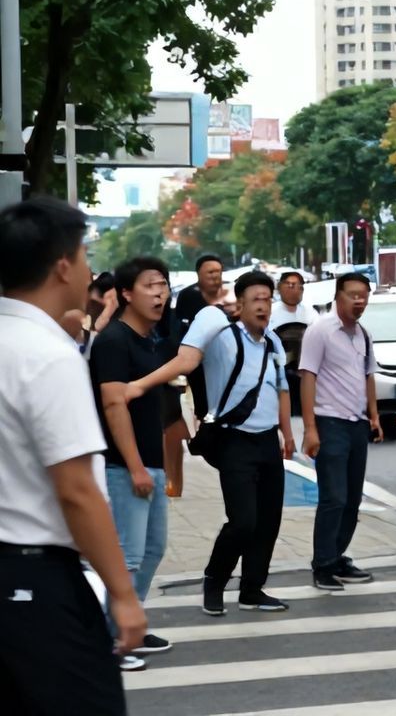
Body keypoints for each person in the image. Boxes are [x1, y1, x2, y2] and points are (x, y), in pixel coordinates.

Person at [0, 196, 145, 714]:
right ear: (62, 264)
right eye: (83, 254)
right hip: (37, 580)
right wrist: (123, 594)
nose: (89, 269)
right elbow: (78, 490)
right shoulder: (48, 354)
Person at [129, 271, 295, 616]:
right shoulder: (223, 338)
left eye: (267, 298)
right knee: (243, 521)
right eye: (256, 299)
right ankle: (214, 580)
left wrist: (288, 433)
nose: (263, 306)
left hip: (267, 441)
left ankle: (252, 589)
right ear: (241, 305)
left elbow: (281, 389)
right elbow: (188, 355)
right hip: (235, 441)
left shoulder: (274, 343)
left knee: (268, 521)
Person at [90, 257, 176, 668]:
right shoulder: (114, 341)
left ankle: (130, 624)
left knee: (154, 548)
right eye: (151, 285)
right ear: (126, 293)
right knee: (128, 555)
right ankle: (111, 637)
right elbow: (113, 403)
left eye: (164, 285)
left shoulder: (150, 339)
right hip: (125, 466)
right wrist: (136, 466)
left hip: (150, 462)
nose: (161, 293)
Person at [299, 273, 382, 591]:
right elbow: (308, 376)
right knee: (333, 498)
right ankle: (322, 565)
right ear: (338, 296)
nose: (359, 300)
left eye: (364, 295)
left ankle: (336, 556)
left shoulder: (363, 333)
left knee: (351, 499)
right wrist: (310, 428)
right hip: (329, 422)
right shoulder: (320, 330)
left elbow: (368, 374)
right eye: (353, 295)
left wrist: (374, 415)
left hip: (356, 424)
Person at [173, 254, 227, 419]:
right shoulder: (188, 295)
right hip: (198, 359)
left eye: (218, 271)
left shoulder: (230, 295)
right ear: (199, 274)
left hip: (225, 357)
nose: (215, 276)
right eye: (210, 272)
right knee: (202, 403)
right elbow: (180, 326)